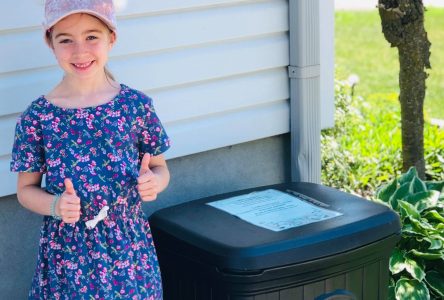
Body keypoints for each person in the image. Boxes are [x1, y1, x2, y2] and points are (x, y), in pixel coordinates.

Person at [10, 0, 170, 298]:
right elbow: (25, 190)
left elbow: (160, 168)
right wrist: (55, 205)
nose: (80, 51)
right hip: (68, 253)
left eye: (92, 36)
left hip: (128, 248)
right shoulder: (38, 117)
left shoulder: (135, 106)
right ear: (50, 43)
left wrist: (154, 182)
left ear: (112, 38)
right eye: (66, 40)